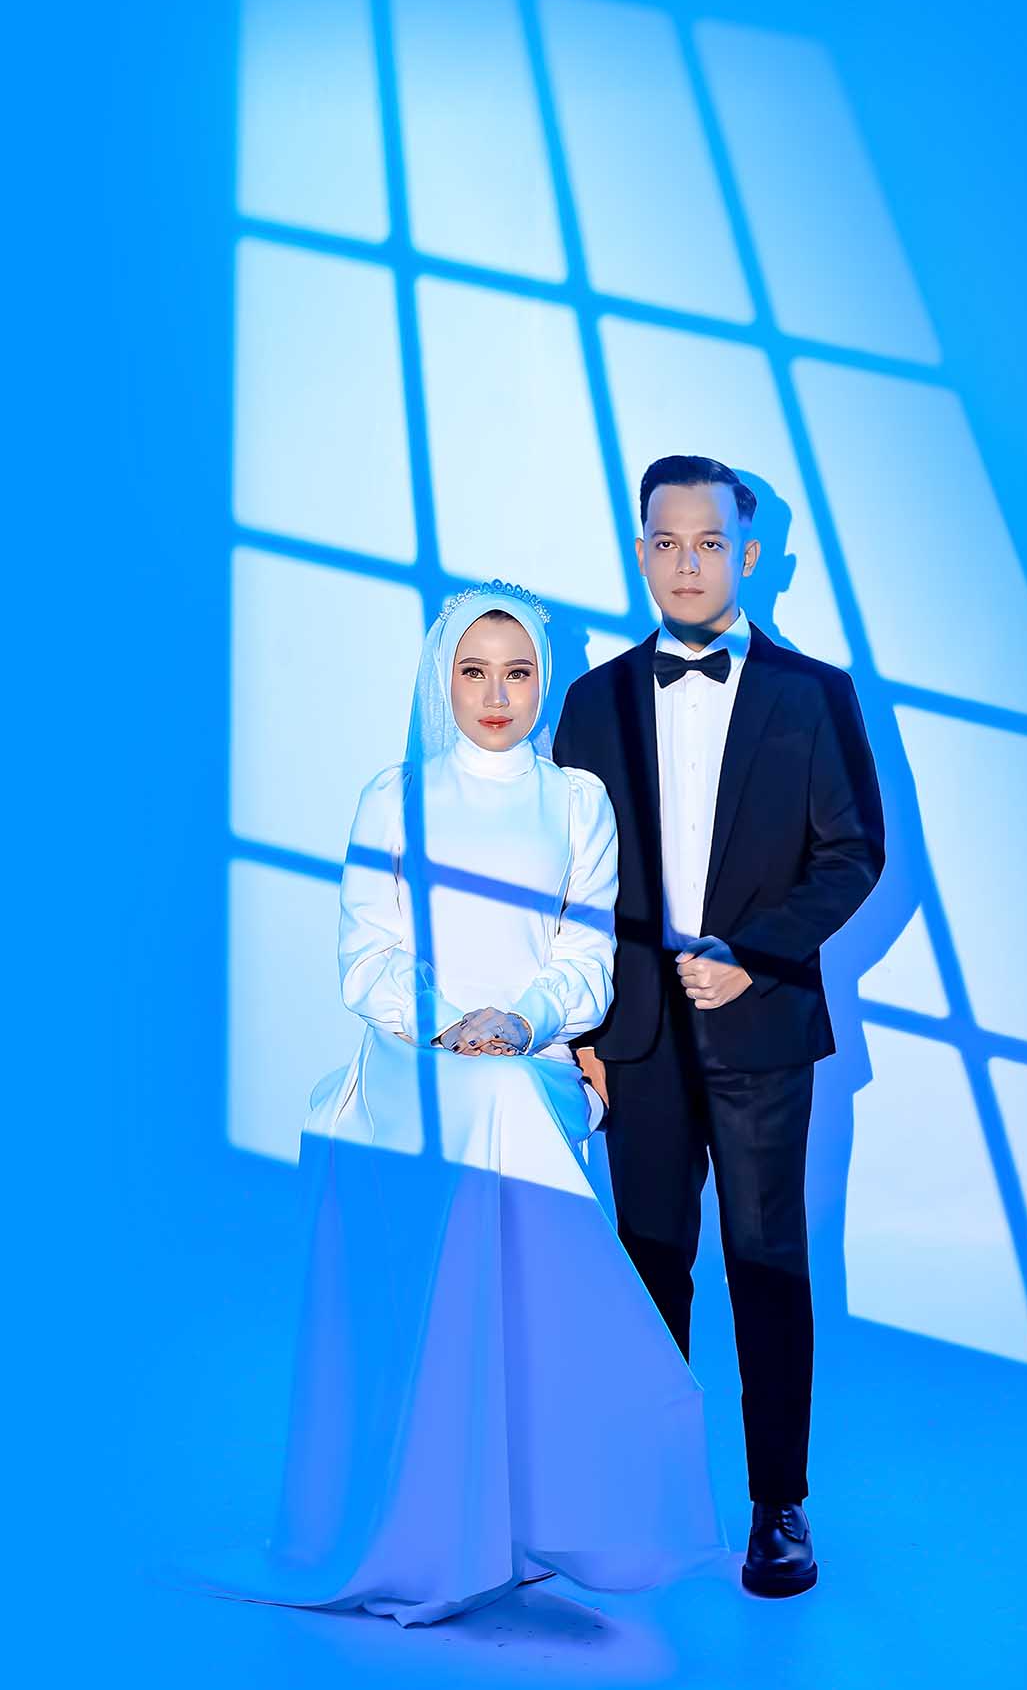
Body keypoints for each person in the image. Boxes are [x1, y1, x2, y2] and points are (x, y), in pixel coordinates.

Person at [185, 581, 726, 1627]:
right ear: (443, 680)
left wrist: (518, 1020)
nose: (496, 694)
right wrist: (446, 1020)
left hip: (528, 1055)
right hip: (409, 1056)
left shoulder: (576, 802)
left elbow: (586, 959)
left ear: (542, 682)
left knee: (503, 1102)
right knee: (484, 1108)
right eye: (473, 672)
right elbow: (366, 952)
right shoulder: (394, 796)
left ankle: (534, 1506)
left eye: (517, 673)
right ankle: (455, 1511)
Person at [554, 459, 885, 1598]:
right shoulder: (592, 701)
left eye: (708, 542)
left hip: (762, 1032)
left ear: (747, 555)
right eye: (666, 542)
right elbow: (567, 878)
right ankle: (639, 1497)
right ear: (641, 552)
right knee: (647, 1265)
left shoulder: (814, 694)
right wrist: (577, 1027)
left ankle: (777, 1504)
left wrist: (751, 954)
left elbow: (852, 853)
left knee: (764, 1264)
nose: (686, 562)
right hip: (633, 1037)